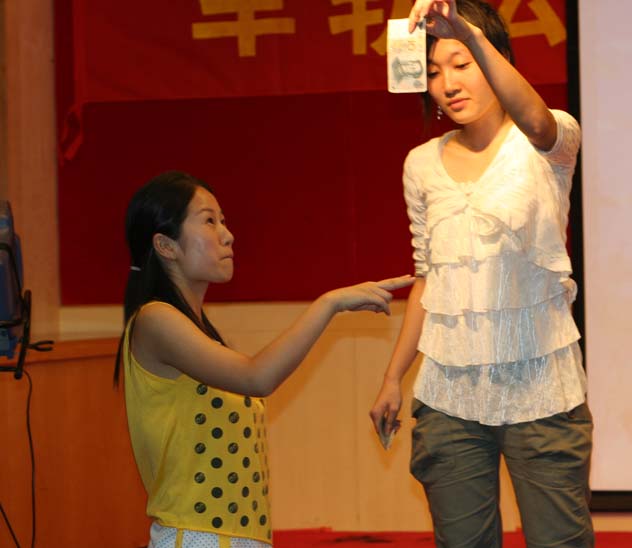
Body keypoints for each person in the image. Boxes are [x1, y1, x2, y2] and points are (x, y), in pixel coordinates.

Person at [369, 1, 593, 546]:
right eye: (434, 71)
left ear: (495, 57)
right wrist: (393, 377)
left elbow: (537, 123)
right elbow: (429, 278)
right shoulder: (420, 163)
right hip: (449, 393)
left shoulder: (549, 140)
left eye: (462, 62)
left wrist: (468, 31)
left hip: (541, 390)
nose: (448, 84)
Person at [115, 171, 413, 548]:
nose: (227, 235)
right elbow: (257, 376)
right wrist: (329, 303)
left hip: (238, 536)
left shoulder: (200, 330)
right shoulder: (155, 319)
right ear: (165, 245)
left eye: (224, 220)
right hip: (197, 536)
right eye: (209, 221)